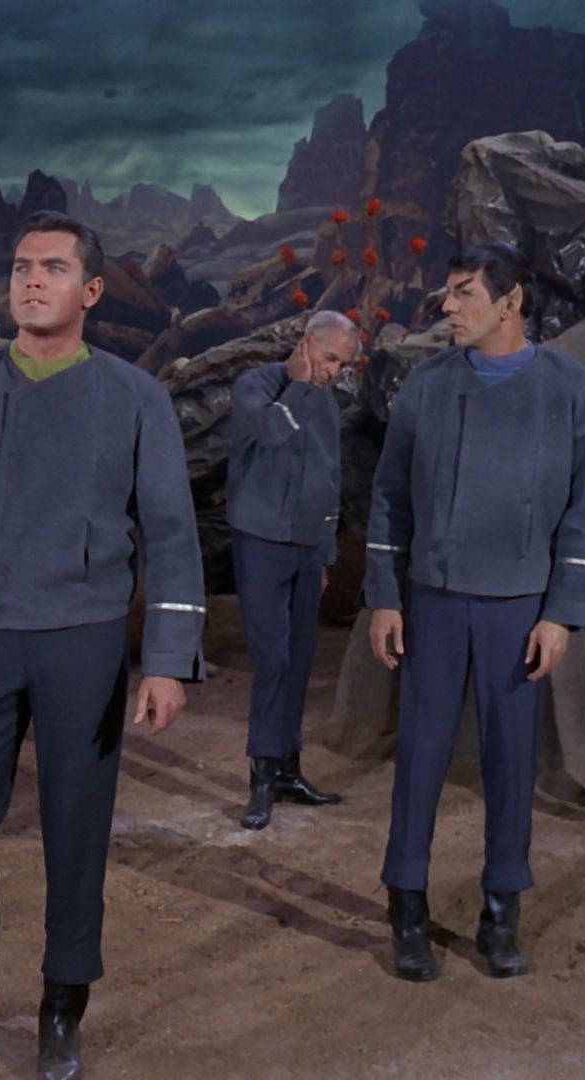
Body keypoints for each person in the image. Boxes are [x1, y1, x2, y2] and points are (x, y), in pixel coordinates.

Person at [0, 211, 204, 1080]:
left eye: (53, 268)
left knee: (75, 832)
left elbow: (171, 534)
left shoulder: (134, 399)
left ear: (90, 291)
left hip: (84, 643)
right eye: (23, 266)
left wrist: (167, 659)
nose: (31, 280)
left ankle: (63, 1001)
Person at [364, 243, 585, 981]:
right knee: (420, 758)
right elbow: (390, 496)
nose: (448, 307)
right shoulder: (426, 385)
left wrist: (562, 613)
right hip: (434, 601)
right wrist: (384, 596)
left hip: (520, 608)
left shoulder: (570, 389)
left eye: (465, 292)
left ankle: (502, 910)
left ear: (511, 302)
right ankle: (406, 906)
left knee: (510, 761)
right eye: (448, 293)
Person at [226, 310, 359, 830]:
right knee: (273, 660)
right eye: (329, 359)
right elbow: (269, 431)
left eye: (342, 365)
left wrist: (324, 555)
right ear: (306, 344)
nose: (333, 372)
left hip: (306, 548)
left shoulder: (324, 401)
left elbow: (330, 478)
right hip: (262, 543)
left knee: (300, 659)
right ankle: (261, 776)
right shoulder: (254, 386)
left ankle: (288, 769)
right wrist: (302, 387)